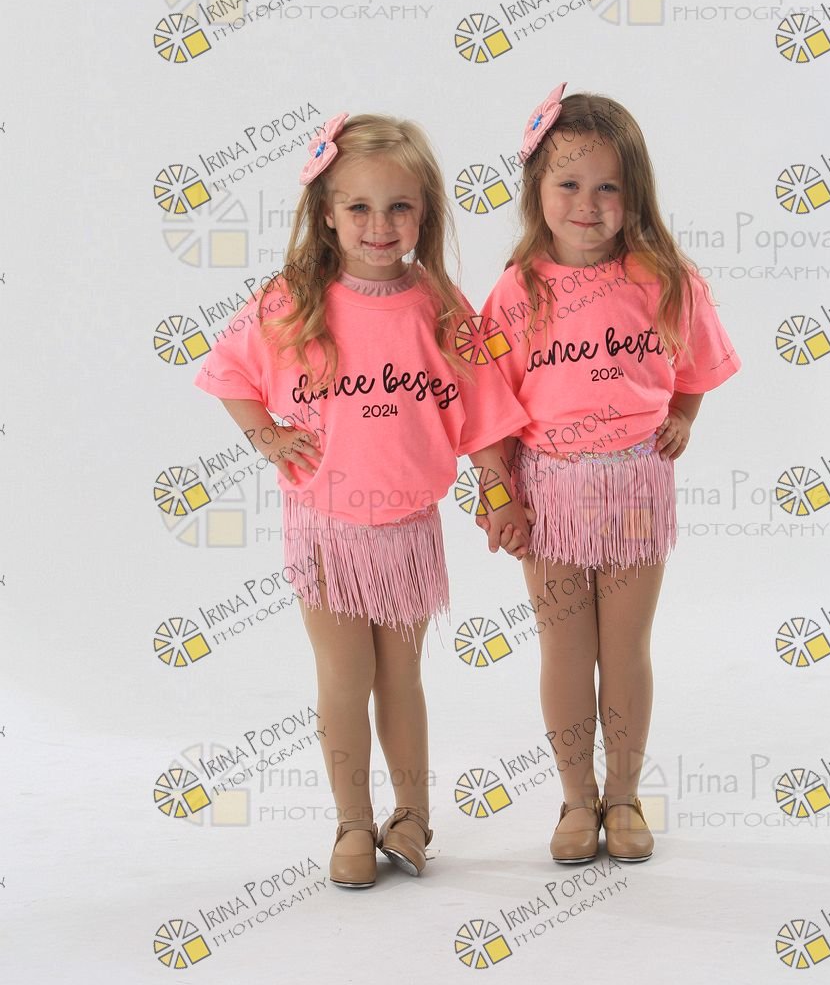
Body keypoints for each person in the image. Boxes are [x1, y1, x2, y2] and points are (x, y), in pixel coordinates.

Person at [193, 111, 533, 889]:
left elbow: (483, 413)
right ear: (326, 212)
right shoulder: (293, 301)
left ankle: (411, 816)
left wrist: (499, 492)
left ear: (425, 212)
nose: (380, 226)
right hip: (327, 530)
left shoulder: (440, 308)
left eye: (399, 207)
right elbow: (230, 371)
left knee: (401, 678)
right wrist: (266, 436)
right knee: (344, 678)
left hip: (407, 531)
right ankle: (352, 821)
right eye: (359, 207)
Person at [475, 85, 741, 865]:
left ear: (635, 193)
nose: (587, 206)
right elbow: (488, 411)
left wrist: (683, 414)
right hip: (547, 490)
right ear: (537, 189)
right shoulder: (516, 292)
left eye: (608, 188)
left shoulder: (666, 279)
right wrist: (500, 497)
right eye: (568, 184)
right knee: (565, 651)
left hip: (635, 487)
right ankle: (574, 799)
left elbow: (696, 366)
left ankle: (622, 797)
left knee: (625, 650)